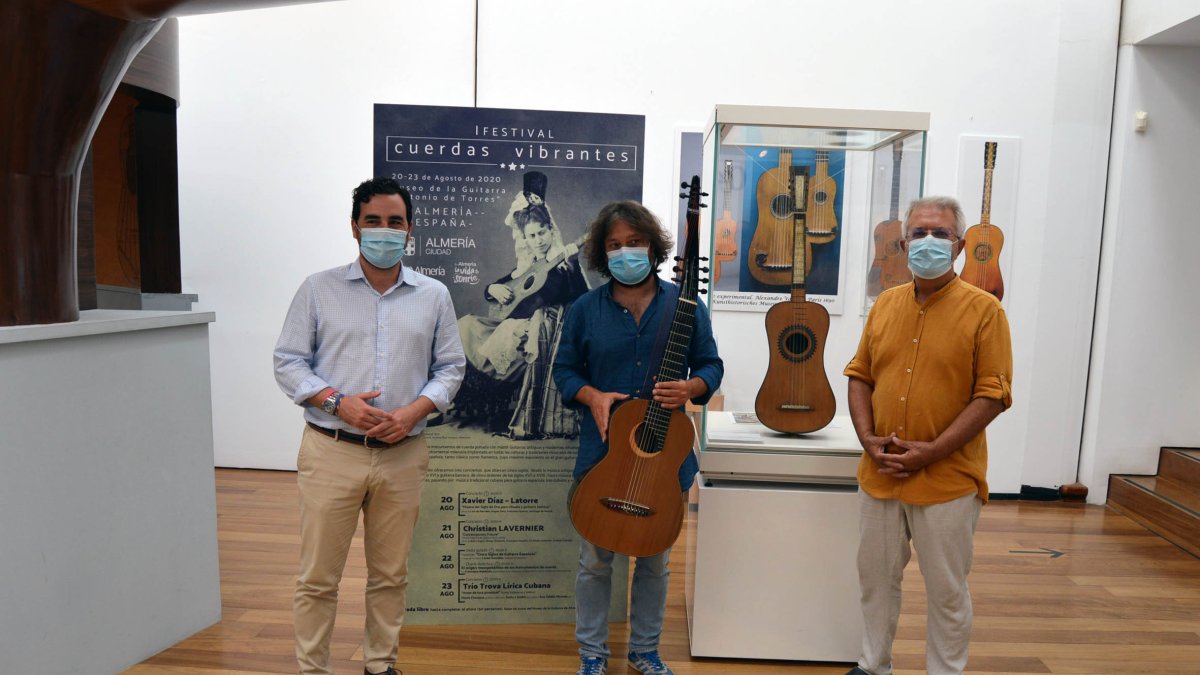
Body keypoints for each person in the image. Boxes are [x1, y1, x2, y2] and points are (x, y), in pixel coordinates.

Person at [273, 177, 466, 675]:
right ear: (355, 227)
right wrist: (338, 403)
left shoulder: (434, 295)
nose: (384, 232)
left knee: (390, 575)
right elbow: (289, 361)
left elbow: (451, 368)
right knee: (317, 577)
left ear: (410, 230)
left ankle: (380, 664)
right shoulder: (318, 289)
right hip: (332, 448)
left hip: (403, 453)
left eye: (394, 223)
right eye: (373, 222)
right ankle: (312, 668)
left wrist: (414, 411)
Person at [842, 196, 1012, 675]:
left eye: (939, 234)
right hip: (879, 474)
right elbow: (860, 374)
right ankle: (873, 665)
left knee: (947, 589)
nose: (928, 242)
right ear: (902, 243)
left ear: (959, 246)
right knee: (875, 580)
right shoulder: (886, 306)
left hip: (947, 478)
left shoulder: (985, 312)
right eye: (919, 233)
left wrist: (932, 451)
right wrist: (867, 439)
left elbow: (993, 395)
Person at [553, 201, 723, 675]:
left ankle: (645, 651)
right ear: (601, 254)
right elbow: (564, 371)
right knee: (595, 560)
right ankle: (592, 653)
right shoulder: (587, 309)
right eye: (614, 245)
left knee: (654, 561)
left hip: (663, 458)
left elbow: (711, 364)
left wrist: (692, 386)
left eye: (634, 243)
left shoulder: (685, 306)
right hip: (603, 453)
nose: (625, 252)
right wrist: (591, 396)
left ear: (653, 247)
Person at [456, 170, 588, 436]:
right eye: (532, 236)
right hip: (516, 322)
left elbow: (581, 298)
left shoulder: (562, 265)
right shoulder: (528, 268)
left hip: (543, 331)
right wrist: (491, 288)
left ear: (551, 231)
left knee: (508, 335)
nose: (538, 240)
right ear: (524, 239)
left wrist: (571, 264)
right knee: (466, 325)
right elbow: (502, 287)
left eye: (542, 233)